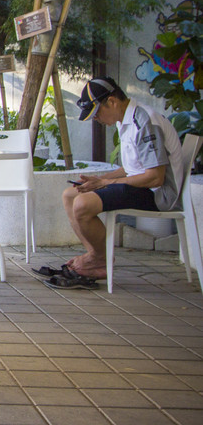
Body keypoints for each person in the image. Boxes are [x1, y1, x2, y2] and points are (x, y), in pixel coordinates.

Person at [45, 77, 182, 288]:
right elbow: (133, 168)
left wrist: (106, 182)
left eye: (97, 112)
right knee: (70, 195)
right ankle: (97, 258)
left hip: (158, 193)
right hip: (144, 186)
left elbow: (156, 176)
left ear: (112, 102)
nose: (97, 119)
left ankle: (99, 259)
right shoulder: (126, 119)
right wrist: (100, 180)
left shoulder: (144, 120)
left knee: (83, 204)